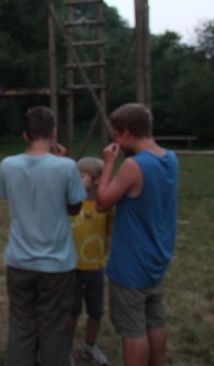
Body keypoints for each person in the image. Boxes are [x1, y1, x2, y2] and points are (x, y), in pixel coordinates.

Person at [0, 106, 86, 366]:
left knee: (21, 323)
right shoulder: (67, 167)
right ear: (54, 133)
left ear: (25, 135)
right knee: (54, 326)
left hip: (19, 260)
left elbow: (12, 197)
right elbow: (74, 208)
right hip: (57, 263)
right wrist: (61, 165)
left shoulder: (7, 165)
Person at [96, 103, 179, 366]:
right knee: (155, 319)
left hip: (132, 262)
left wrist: (109, 164)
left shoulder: (133, 166)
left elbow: (102, 202)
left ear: (127, 133)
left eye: (116, 136)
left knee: (133, 329)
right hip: (157, 255)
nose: (115, 142)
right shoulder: (170, 158)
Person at [69, 157, 113, 365]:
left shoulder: (105, 206)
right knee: (72, 311)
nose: (76, 180)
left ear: (96, 180)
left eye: (81, 176)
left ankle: (90, 346)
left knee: (95, 311)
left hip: (95, 267)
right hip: (71, 267)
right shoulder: (71, 203)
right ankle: (67, 348)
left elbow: (110, 232)